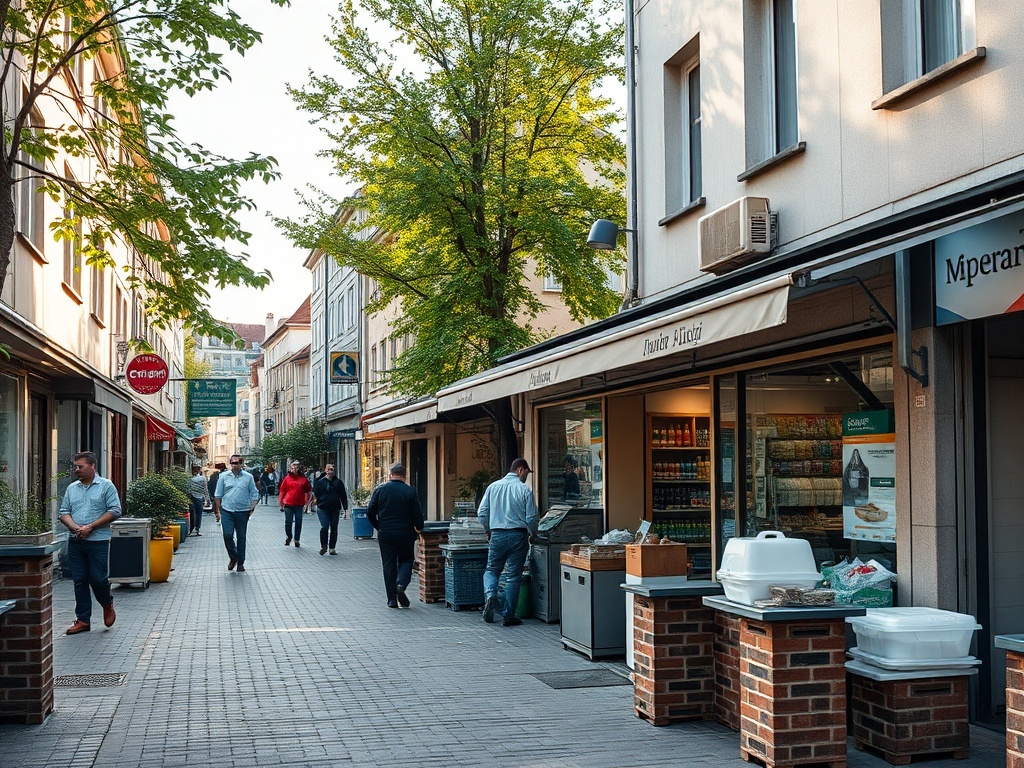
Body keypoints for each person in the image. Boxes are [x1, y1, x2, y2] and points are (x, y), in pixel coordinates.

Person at [58, 451, 122, 635]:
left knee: (98, 578)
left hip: (98, 541)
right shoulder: (72, 488)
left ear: (92, 466)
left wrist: (90, 527)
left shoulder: (106, 486)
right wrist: (75, 527)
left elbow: (115, 510)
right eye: (75, 466)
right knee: (79, 580)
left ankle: (107, 603)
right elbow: (64, 512)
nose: (76, 469)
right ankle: (83, 620)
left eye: (80, 466)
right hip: (76, 541)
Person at [478, 458, 539, 627]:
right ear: (520, 469)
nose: (526, 476)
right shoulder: (524, 490)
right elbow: (532, 518)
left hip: (497, 534)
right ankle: (509, 615)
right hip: (518, 536)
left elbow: (482, 513)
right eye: (526, 472)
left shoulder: (493, 487)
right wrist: (534, 533)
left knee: (491, 570)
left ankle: (490, 595)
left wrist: (488, 530)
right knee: (513, 577)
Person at [366, 463, 423, 608]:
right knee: (406, 560)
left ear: (390, 475)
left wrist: (378, 526)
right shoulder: (410, 492)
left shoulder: (380, 490)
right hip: (405, 532)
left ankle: (391, 599)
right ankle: (401, 584)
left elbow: (370, 512)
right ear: (404, 476)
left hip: (386, 533)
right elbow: (417, 514)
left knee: (388, 564)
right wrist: (419, 528)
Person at [214, 454, 259, 572]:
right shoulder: (223, 476)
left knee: (241, 537)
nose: (234, 465)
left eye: (237, 463)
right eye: (232, 463)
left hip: (242, 511)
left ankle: (241, 562)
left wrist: (252, 508)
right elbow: (218, 494)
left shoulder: (248, 477)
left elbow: (254, 494)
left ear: (241, 463)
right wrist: (220, 510)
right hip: (227, 510)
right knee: (227, 535)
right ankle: (233, 556)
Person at [312, 463, 348, 556]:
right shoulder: (320, 482)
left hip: (335, 508)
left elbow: (343, 496)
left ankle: (332, 548)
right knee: (324, 526)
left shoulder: (338, 482)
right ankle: (324, 546)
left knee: (334, 527)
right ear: (325, 470)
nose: (331, 471)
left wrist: (346, 509)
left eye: (332, 469)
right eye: (329, 469)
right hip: (323, 508)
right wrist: (316, 501)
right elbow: (316, 493)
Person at [278, 460, 312, 547]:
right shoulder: (287, 478)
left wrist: (306, 503)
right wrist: (281, 503)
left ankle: (297, 539)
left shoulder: (303, 479)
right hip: (288, 503)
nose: (295, 468)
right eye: (294, 465)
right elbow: (282, 491)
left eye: (297, 466)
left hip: (299, 504)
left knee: (298, 522)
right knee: (288, 522)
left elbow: (308, 491)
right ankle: (289, 536)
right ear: (290, 467)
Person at [187, 464, 210, 536]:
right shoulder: (203, 479)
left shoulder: (189, 479)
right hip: (200, 498)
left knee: (191, 513)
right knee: (199, 514)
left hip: (191, 497)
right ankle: (197, 530)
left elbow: (188, 489)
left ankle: (190, 530)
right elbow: (205, 490)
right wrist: (208, 499)